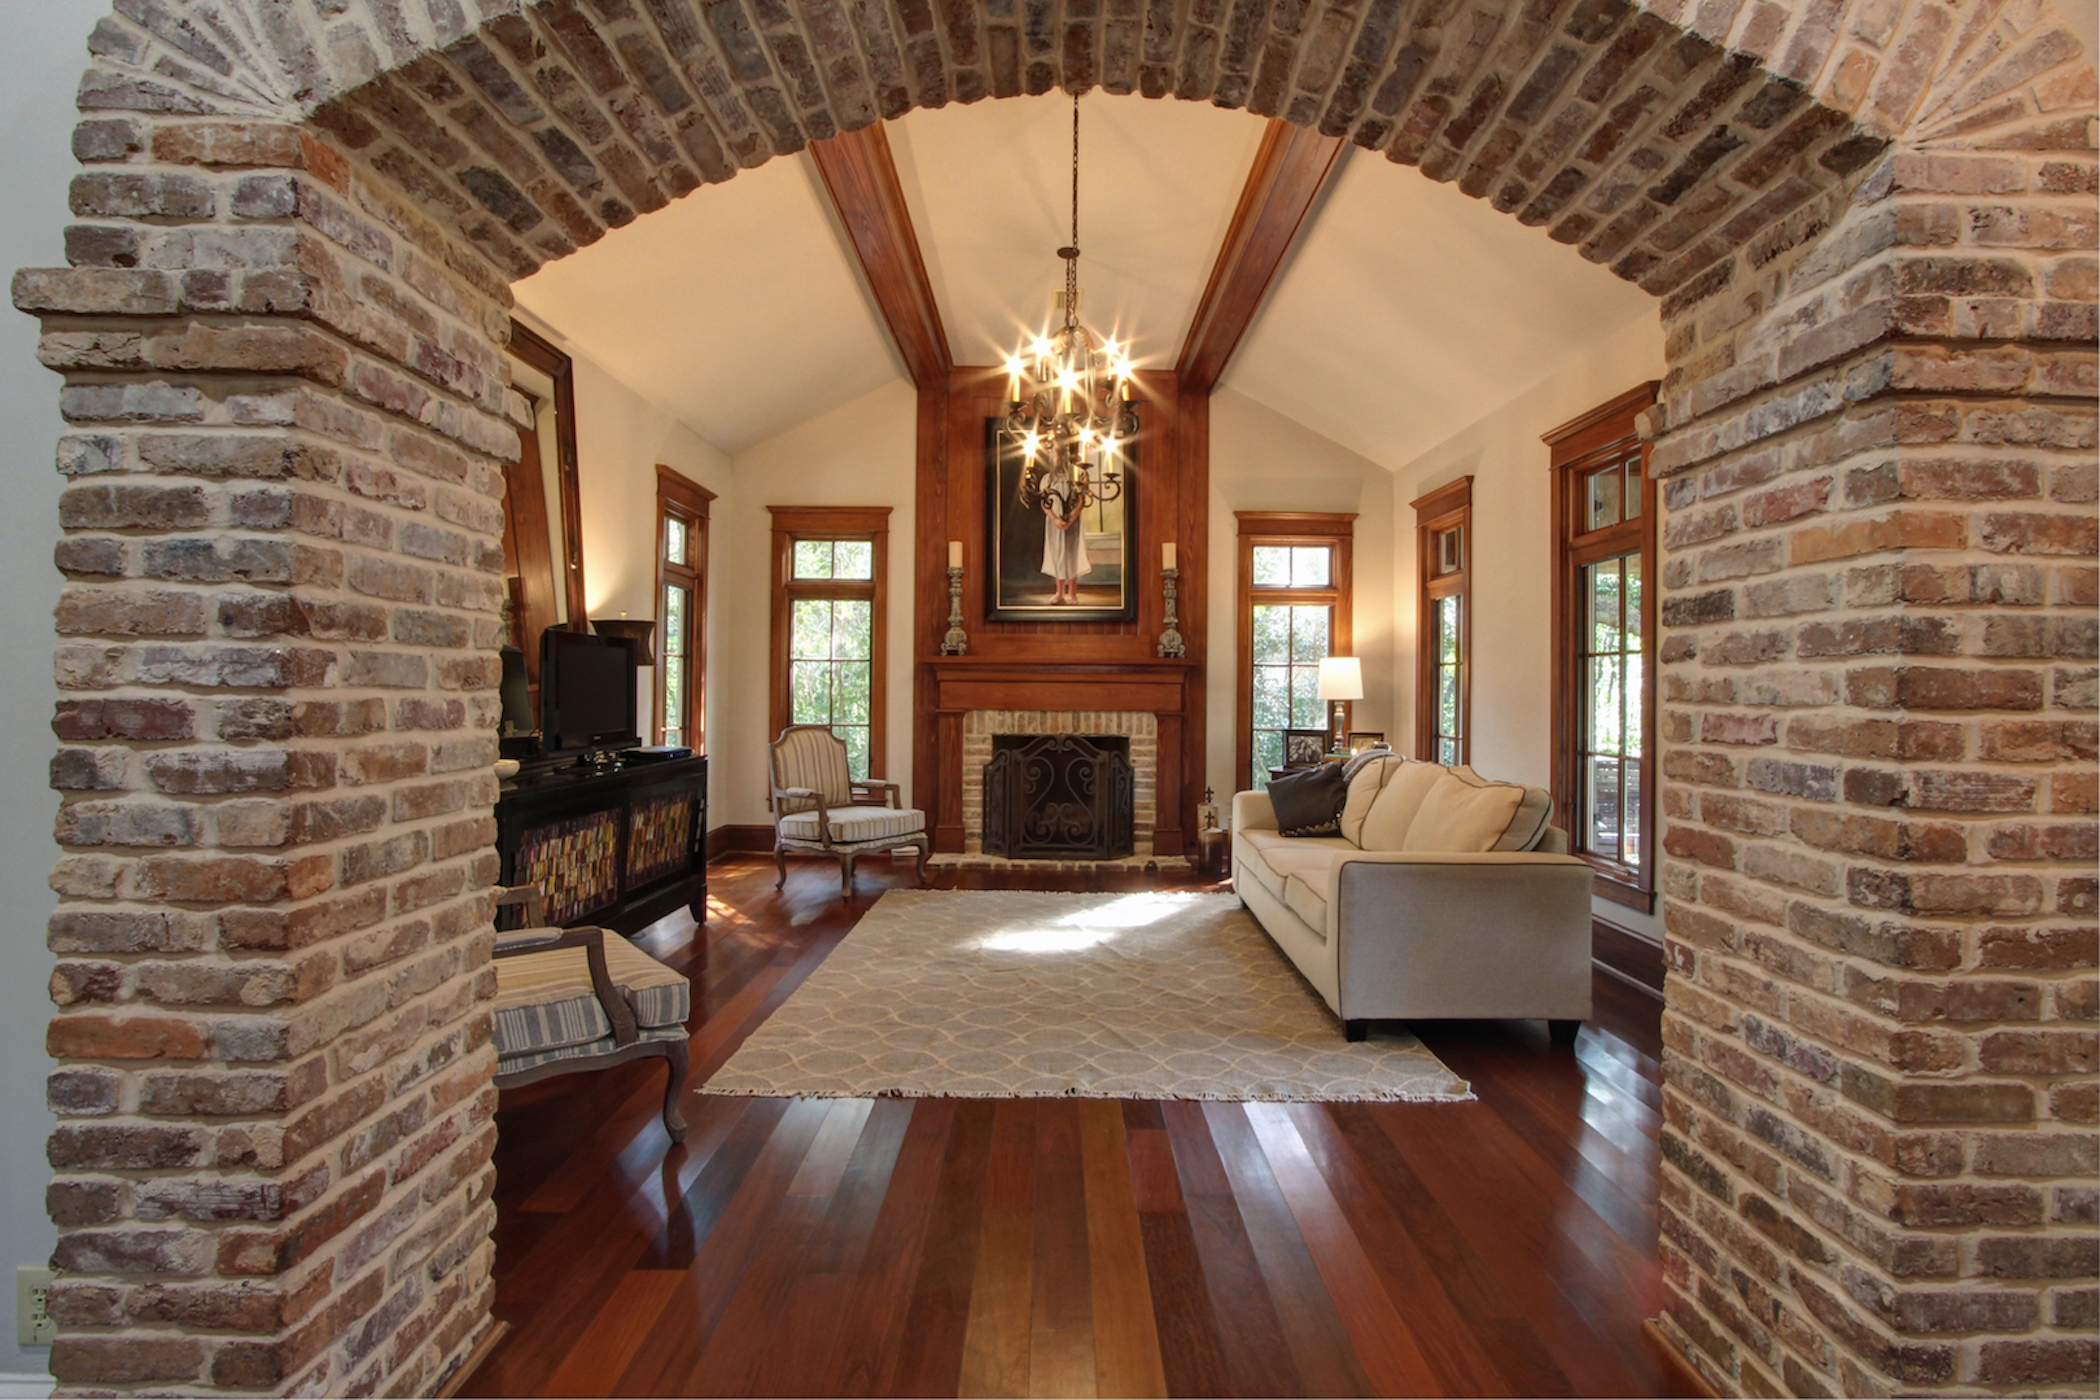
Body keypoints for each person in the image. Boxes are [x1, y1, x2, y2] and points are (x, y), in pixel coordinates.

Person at [1039, 460, 1090, 603]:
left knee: (1071, 554)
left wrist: (1071, 518)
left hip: (1072, 523)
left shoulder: (1076, 477)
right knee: (1058, 554)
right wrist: (1055, 519)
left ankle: (1072, 593)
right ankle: (1060, 592)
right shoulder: (1047, 479)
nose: (1057, 459)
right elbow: (1044, 503)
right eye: (1054, 455)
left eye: (1060, 454)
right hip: (1055, 523)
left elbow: (1081, 501)